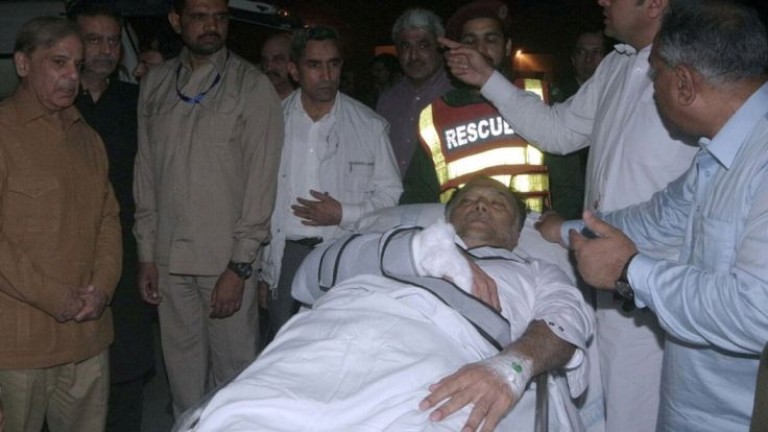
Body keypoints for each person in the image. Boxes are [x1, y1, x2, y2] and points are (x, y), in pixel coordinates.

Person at [439, 0, 700, 429]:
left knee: (657, 406)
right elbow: (559, 132)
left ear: (654, 4)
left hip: (667, 277)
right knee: (617, 400)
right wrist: (487, 78)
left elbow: (690, 198)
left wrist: (570, 230)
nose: (602, 2)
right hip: (609, 277)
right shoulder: (617, 66)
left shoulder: (695, 66)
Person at [184, 176, 593, 432]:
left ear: (517, 232)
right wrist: (420, 251)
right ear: (446, 217)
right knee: (243, 417)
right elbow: (311, 275)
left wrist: (512, 366)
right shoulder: (393, 243)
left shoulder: (535, 271)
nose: (482, 205)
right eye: (469, 200)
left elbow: (566, 320)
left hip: (443, 357)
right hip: (333, 332)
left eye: (497, 203)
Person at [537, 1, 768, 430]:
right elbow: (658, 220)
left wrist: (629, 273)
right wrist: (565, 231)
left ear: (684, 84)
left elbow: (757, 312)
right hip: (689, 404)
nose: (652, 87)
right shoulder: (718, 153)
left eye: (654, 75)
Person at [134, 0, 284, 416]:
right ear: (176, 20)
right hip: (168, 260)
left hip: (224, 263)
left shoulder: (251, 87)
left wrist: (239, 266)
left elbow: (261, 184)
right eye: (199, 17)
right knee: (182, 382)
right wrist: (146, 253)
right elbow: (146, 173)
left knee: (234, 382)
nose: (211, 26)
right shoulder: (156, 84)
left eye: (219, 17)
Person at [0, 16, 121, 431]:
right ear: (22, 64)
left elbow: (109, 220)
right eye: (58, 62)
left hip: (87, 340)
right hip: (18, 348)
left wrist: (102, 289)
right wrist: (56, 298)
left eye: (77, 65)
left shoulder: (87, 138)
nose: (72, 76)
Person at [259, 25, 402, 342]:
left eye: (333, 64)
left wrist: (343, 213)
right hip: (286, 254)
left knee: (341, 345)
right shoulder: (272, 121)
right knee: (286, 346)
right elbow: (257, 196)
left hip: (345, 252)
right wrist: (262, 271)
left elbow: (391, 196)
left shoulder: (369, 125)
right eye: (314, 65)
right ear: (294, 70)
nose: (326, 75)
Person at [72, 6, 155, 431]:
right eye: (94, 40)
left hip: (125, 246)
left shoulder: (135, 102)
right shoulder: (56, 103)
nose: (105, 50)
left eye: (112, 41)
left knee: (126, 361)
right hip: (67, 252)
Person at [399, 0, 548, 211]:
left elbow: (569, 189)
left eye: (490, 40)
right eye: (470, 41)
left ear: (507, 47)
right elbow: (417, 198)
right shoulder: (436, 115)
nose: (480, 49)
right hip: (461, 231)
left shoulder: (539, 96)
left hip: (533, 230)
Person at [376, 8, 454, 178]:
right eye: (406, 47)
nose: (413, 56)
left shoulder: (457, 94)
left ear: (439, 47)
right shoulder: (388, 100)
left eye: (423, 45)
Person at [546, 26, 608, 220]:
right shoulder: (556, 98)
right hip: (569, 200)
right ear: (573, 59)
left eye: (596, 52)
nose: (589, 59)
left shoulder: (618, 96)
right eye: (582, 52)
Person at [260, 31, 295, 100]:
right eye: (265, 60)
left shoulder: (308, 101)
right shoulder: (252, 95)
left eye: (278, 59)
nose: (269, 67)